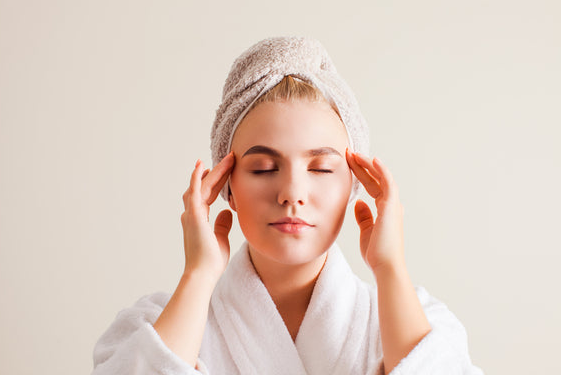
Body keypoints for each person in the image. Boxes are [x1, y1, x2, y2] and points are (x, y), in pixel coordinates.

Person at [91, 37, 483, 374]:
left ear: (356, 185)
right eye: (263, 168)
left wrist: (390, 268)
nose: (291, 193)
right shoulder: (155, 327)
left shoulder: (421, 324)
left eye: (321, 168)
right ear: (226, 186)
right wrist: (198, 275)